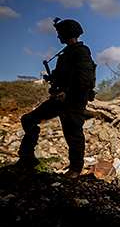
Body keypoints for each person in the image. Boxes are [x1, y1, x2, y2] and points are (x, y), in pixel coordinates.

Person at [16, 18, 95, 178]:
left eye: (60, 33)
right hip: (60, 99)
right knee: (29, 120)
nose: (58, 37)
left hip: (73, 100)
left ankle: (75, 169)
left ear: (68, 33)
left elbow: (85, 77)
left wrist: (67, 92)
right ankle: (27, 158)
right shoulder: (66, 54)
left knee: (73, 133)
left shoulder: (81, 51)